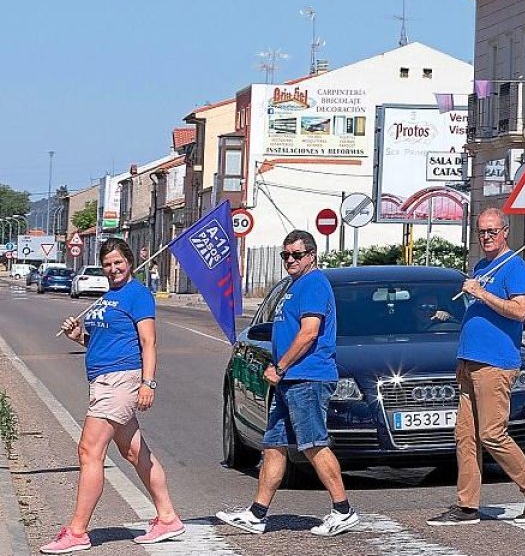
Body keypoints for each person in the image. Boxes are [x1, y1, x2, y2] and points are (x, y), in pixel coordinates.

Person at [43, 238, 185, 553]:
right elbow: (100, 343)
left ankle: (77, 531)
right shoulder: (109, 296)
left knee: (89, 451)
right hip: (103, 380)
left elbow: (149, 342)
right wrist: (78, 335)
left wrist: (148, 383)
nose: (113, 268)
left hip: (120, 381)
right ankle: (167, 518)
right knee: (135, 454)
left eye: (118, 262)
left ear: (130, 262)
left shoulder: (138, 295)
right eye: (107, 264)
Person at [216, 230, 360, 536]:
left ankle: (343, 510)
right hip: (291, 380)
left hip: (306, 377)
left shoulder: (313, 284)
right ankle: (257, 514)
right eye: (285, 255)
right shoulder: (295, 287)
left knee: (313, 443)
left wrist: (280, 367)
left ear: (312, 255)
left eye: (296, 254)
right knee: (274, 446)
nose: (290, 260)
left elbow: (309, 332)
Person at [427, 208, 525, 526]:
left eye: (492, 231)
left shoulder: (514, 267)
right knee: (465, 436)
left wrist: (481, 293)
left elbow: (520, 311)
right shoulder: (482, 265)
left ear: (505, 231)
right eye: (481, 232)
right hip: (470, 361)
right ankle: (467, 505)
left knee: (492, 433)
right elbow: (481, 314)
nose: (486, 237)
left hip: (495, 364)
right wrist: (452, 315)